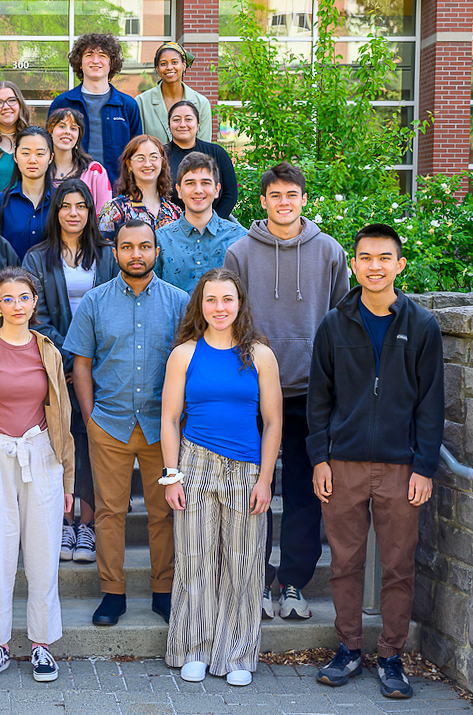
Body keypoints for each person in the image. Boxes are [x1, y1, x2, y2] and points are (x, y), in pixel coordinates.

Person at [309, 224, 443, 701]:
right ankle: (348, 649)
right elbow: (319, 399)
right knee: (344, 562)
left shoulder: (422, 326)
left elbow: (431, 403)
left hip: (401, 468)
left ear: (399, 265)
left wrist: (424, 466)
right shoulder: (334, 324)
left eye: (384, 258)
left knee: (398, 565)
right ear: (354, 265)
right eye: (365, 257)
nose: (375, 266)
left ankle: (390, 656)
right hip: (342, 464)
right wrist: (319, 458)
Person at [223, 161, 350, 621]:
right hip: (253, 390)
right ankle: (256, 579)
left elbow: (342, 320)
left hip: (311, 391)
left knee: (303, 491)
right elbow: (228, 319)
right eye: (275, 195)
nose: (283, 202)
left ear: (303, 199)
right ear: (262, 201)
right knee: (252, 489)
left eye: (291, 194)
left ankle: (293, 582)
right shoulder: (239, 253)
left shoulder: (330, 251)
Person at [0, 266, 75, 683]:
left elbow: (63, 418)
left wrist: (68, 479)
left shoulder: (49, 351)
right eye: (8, 298)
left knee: (43, 552)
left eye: (24, 297)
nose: (17, 306)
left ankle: (41, 644)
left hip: (41, 455)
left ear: (35, 301)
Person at [161, 268, 281, 687]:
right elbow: (169, 418)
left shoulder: (260, 355)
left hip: (246, 468)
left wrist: (265, 480)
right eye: (211, 299)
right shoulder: (185, 354)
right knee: (194, 558)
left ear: (240, 303)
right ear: (200, 305)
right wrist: (172, 476)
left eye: (227, 299)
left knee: (243, 563)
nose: (219, 307)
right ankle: (194, 648)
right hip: (194, 464)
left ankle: (237, 653)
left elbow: (273, 421)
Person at [66, 219, 188, 627]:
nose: (137, 254)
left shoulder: (179, 302)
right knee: (109, 512)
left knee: (163, 512)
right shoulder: (95, 302)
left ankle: (163, 590)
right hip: (109, 423)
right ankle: (113, 593)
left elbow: (190, 364)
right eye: (128, 247)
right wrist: (90, 418)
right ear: (115, 252)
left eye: (145, 246)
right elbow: (81, 364)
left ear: (157, 251)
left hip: (161, 427)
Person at [23, 178, 118, 565]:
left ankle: (88, 525)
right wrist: (71, 357)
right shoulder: (37, 258)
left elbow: (115, 309)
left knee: (92, 442)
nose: (73, 213)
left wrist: (88, 360)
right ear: (56, 211)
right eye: (66, 206)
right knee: (60, 443)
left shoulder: (108, 255)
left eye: (81, 206)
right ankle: (63, 522)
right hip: (54, 368)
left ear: (90, 211)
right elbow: (34, 315)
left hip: (101, 367)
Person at [48, 32, 144, 185]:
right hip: (70, 188)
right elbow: (50, 146)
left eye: (102, 56)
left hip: (118, 190)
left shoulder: (127, 105)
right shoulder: (63, 102)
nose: (95, 60)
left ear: (111, 64)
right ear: (80, 62)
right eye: (89, 55)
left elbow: (138, 152)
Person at [155, 151, 245, 293]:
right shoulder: (160, 240)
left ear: (217, 190)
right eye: (190, 183)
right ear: (179, 190)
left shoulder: (240, 238)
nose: (198, 190)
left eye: (205, 183)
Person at [0, 126, 54, 261]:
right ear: (15, 156)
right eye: (26, 153)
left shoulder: (61, 201)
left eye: (40, 154)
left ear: (51, 157)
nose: (32, 160)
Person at [99, 135, 182, 241]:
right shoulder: (114, 210)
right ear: (129, 164)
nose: (147, 164)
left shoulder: (175, 212)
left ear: (162, 162)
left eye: (153, 157)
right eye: (140, 158)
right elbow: (104, 250)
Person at [165, 100, 237, 219]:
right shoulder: (160, 156)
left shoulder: (217, 153)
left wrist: (212, 222)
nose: (182, 124)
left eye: (188, 119)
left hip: (215, 223)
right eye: (176, 120)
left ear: (198, 124)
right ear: (169, 124)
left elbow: (230, 194)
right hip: (170, 224)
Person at [135, 42, 212, 144]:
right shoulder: (142, 102)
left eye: (174, 62)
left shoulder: (201, 103)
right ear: (157, 69)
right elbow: (138, 144)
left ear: (184, 65)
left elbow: (204, 147)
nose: (169, 67)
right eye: (163, 64)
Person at [47, 108, 112, 212]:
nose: (67, 132)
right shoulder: (40, 168)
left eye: (73, 128)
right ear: (51, 131)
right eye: (62, 126)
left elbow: (105, 216)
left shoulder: (95, 172)